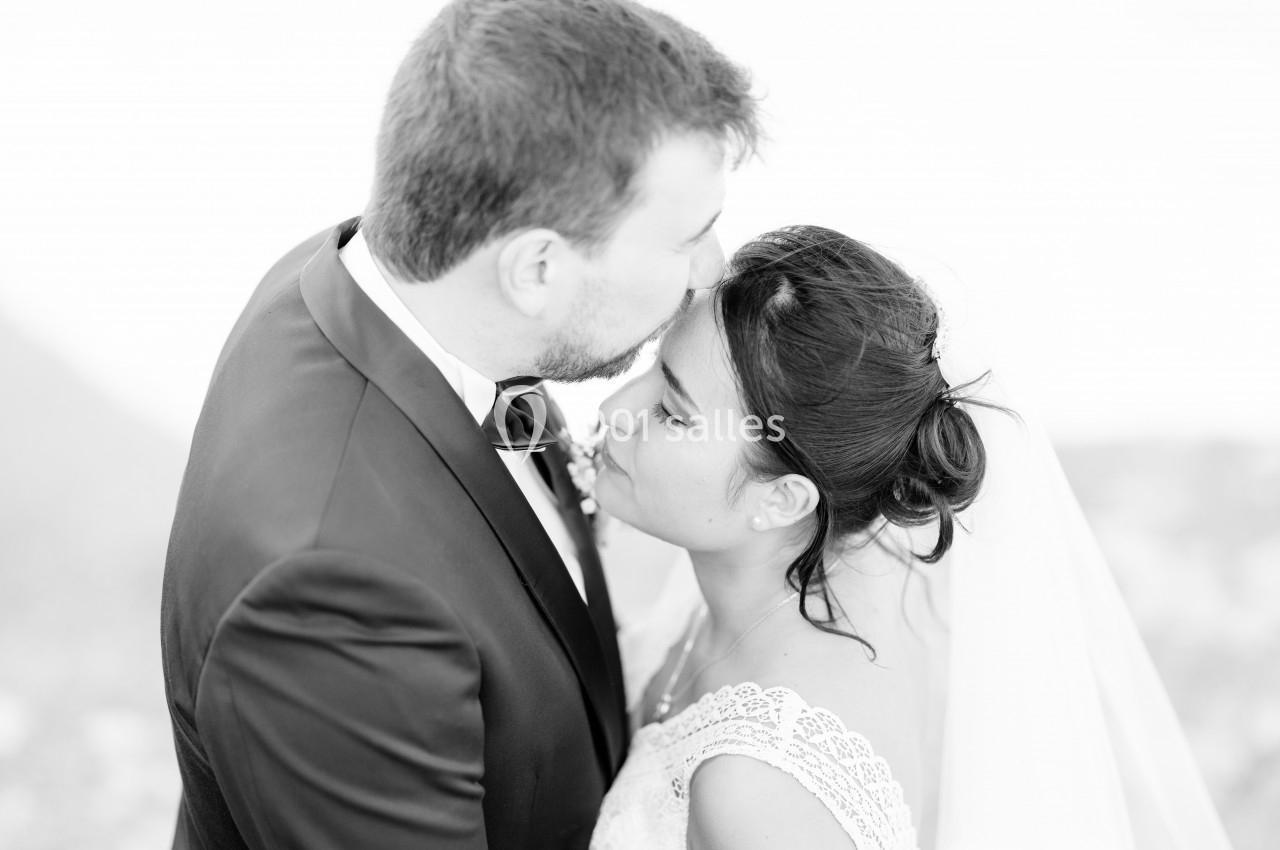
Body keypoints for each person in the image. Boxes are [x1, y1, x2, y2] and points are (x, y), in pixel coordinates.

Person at [158, 1, 758, 848]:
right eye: (687, 238)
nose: (713, 268)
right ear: (536, 268)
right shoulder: (333, 602)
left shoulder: (376, 280)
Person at [588, 226, 1235, 849]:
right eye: (653, 368)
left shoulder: (761, 782)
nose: (616, 410)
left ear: (781, 499)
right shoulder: (768, 593)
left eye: (672, 414)